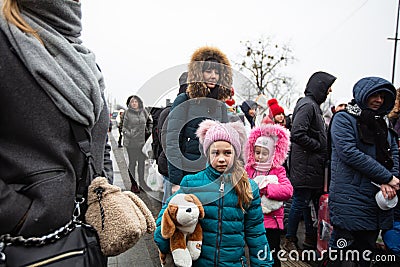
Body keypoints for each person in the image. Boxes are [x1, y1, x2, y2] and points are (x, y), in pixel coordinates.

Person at [0, 0, 111, 264]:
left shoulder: (81, 53)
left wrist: (104, 185)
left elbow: (99, 138)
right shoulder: (6, 40)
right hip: (28, 245)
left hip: (87, 238)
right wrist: (21, 215)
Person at [155, 120, 274, 266]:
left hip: (233, 263)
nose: (222, 158)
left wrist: (264, 264)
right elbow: (167, 214)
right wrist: (163, 243)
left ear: (236, 154)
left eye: (227, 152)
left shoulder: (249, 187)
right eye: (216, 153)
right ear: (207, 154)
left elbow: (256, 234)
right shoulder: (191, 183)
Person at [328, 77, 400, 267]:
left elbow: (393, 154)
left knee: (364, 256)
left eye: (383, 96)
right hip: (350, 201)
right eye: (374, 95)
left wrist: (392, 181)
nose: (379, 100)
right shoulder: (344, 119)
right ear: (363, 95)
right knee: (343, 258)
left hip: (376, 203)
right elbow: (349, 153)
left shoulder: (383, 124)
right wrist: (387, 177)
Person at [282, 71, 336, 251]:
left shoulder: (312, 106)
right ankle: (290, 240)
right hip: (305, 166)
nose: (329, 92)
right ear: (319, 87)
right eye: (327, 89)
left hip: (309, 166)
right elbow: (297, 133)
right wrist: (319, 146)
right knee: (300, 202)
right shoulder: (307, 106)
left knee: (305, 204)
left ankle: (308, 240)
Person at [166, 46, 231, 188]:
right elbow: (172, 143)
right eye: (208, 71)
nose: (213, 76)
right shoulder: (184, 100)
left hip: (214, 175)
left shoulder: (220, 105)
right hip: (188, 175)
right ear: (199, 73)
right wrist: (176, 182)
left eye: (217, 72)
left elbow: (226, 144)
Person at [244, 124, 293, 267]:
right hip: (252, 220)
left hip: (271, 223)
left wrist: (266, 189)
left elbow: (287, 190)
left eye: (264, 153)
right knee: (255, 253)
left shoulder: (278, 170)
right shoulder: (249, 169)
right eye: (257, 152)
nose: (259, 157)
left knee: (271, 253)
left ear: (272, 153)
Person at [122, 95, 152, 193]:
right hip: (131, 143)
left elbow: (150, 122)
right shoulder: (127, 113)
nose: (134, 103)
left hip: (142, 142)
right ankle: (134, 184)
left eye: (136, 102)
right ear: (129, 104)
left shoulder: (144, 111)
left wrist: (148, 130)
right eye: (132, 102)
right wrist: (130, 133)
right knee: (132, 163)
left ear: (139, 103)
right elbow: (123, 127)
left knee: (142, 164)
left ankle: (142, 183)